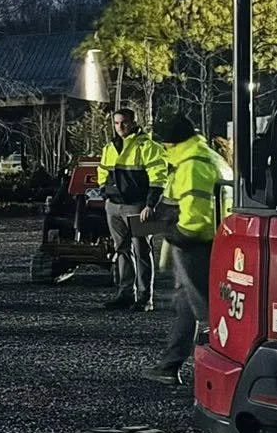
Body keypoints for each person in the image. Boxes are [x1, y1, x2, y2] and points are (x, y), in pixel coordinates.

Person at [140, 112, 226, 383]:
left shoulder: (191, 164)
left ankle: (219, 372)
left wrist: (174, 234)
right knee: (187, 304)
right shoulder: (205, 156)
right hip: (209, 243)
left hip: (196, 246)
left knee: (206, 310)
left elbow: (196, 220)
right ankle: (170, 365)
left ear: (172, 142)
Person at [96, 107, 168, 311]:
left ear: (134, 122)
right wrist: (104, 192)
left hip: (138, 206)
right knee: (122, 251)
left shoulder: (147, 146)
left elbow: (159, 176)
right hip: (115, 206)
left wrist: (151, 204)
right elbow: (102, 170)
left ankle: (145, 299)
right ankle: (125, 294)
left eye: (124, 122)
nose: (120, 127)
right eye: (117, 123)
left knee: (142, 251)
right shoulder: (110, 147)